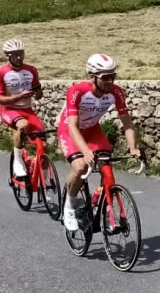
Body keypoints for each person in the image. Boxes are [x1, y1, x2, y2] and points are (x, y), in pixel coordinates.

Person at [56, 54, 141, 232]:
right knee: (80, 167)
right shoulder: (77, 91)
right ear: (93, 76)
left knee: (106, 165)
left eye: (113, 76)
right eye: (105, 77)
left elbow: (127, 123)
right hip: (70, 130)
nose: (110, 81)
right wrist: (85, 151)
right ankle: (69, 206)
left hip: (93, 130)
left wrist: (132, 147)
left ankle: (101, 202)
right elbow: (72, 125)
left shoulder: (116, 92)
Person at [0, 39, 44, 178]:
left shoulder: (31, 70)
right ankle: (18, 161)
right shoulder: (0, 72)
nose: (19, 57)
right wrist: (20, 96)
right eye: (15, 55)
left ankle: (43, 178)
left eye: (21, 53)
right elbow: (1, 99)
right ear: (8, 56)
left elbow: (39, 93)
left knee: (42, 144)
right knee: (22, 126)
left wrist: (38, 93)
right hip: (9, 109)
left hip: (28, 110)